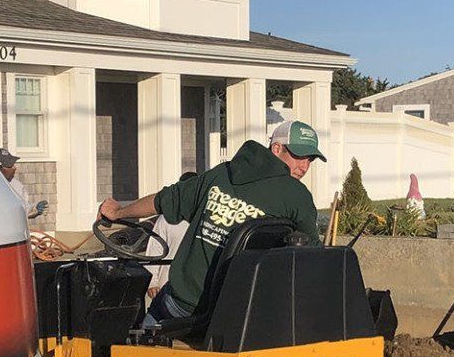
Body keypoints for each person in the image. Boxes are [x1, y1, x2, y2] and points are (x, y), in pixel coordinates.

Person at [100, 121, 323, 327]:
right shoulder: (299, 197)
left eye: (309, 160)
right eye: (298, 156)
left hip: (183, 305)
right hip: (242, 314)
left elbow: (164, 200)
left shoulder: (221, 174)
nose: (303, 167)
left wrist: (118, 212)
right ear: (276, 149)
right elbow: (310, 254)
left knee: (134, 333)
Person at [0, 147, 35, 218]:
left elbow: (24, 209)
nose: (14, 168)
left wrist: (35, 210)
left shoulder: (17, 185)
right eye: (10, 165)